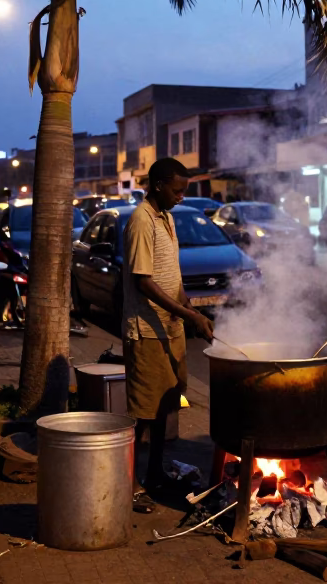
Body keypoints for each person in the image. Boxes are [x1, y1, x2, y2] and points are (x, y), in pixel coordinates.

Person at [123, 157, 214, 500]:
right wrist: (190, 316)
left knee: (164, 406)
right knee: (143, 413)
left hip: (170, 330)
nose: (181, 196)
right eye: (177, 190)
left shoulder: (168, 219)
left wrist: (190, 309)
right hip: (146, 332)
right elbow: (143, 281)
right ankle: (130, 484)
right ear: (158, 185)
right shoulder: (140, 221)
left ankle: (154, 471)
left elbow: (170, 274)